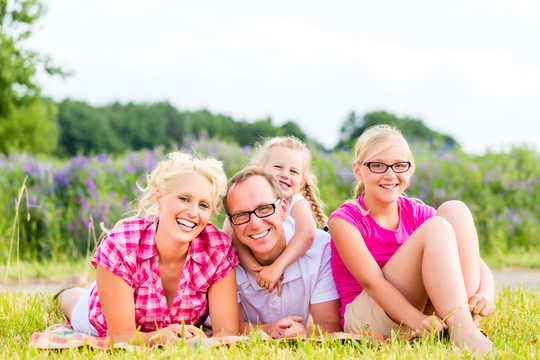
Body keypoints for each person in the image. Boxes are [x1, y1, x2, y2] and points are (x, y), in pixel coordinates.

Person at [329, 124, 495, 355]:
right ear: (358, 170)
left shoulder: (417, 212)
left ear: (410, 170)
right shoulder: (345, 219)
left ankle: (463, 325)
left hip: (417, 309)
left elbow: (470, 259)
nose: (390, 174)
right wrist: (417, 320)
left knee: (454, 210)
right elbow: (373, 283)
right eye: (377, 165)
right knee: (437, 227)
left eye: (399, 165)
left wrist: (485, 293)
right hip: (369, 314)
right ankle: (464, 332)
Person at [55, 151, 239, 346]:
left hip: (128, 293)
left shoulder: (218, 250)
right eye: (184, 199)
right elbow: (120, 337)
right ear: (160, 199)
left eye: (203, 205)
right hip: (99, 319)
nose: (193, 212)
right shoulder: (120, 246)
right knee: (75, 302)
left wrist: (205, 341)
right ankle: (69, 289)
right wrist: (157, 337)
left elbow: (227, 334)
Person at [223, 167, 342, 339]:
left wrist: (305, 332)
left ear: (283, 210)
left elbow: (330, 324)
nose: (255, 224)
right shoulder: (223, 257)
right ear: (232, 224)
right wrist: (269, 329)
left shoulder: (319, 248)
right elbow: (229, 328)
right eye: (241, 215)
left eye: (264, 208)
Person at [232, 136, 328, 296]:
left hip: (294, 279)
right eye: (278, 167)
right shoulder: (247, 201)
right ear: (260, 170)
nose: (285, 175)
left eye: (293, 171)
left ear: (302, 182)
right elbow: (231, 232)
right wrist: (256, 271)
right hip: (254, 278)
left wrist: (277, 267)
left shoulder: (296, 202)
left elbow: (307, 233)